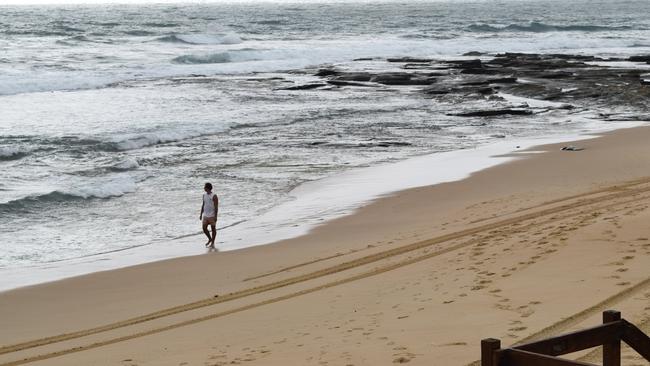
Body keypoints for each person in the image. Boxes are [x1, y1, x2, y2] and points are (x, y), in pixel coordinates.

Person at [199, 182, 219, 248]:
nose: (204, 188)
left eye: (204, 187)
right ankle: (210, 239)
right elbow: (203, 204)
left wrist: (216, 216)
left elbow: (216, 207)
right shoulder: (204, 195)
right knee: (204, 228)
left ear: (207, 188)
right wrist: (201, 214)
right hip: (205, 215)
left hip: (212, 215)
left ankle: (212, 242)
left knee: (213, 229)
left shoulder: (214, 196)